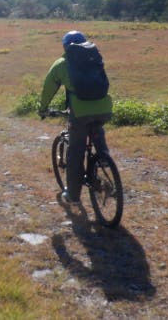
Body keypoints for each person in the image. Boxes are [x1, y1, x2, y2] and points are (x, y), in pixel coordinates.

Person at [38, 30, 113, 205]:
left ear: (65, 46)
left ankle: (72, 196)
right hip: (104, 108)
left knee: (75, 153)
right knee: (97, 128)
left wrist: (42, 109)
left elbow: (48, 88)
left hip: (79, 113)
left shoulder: (61, 63)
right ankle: (104, 158)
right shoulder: (94, 58)